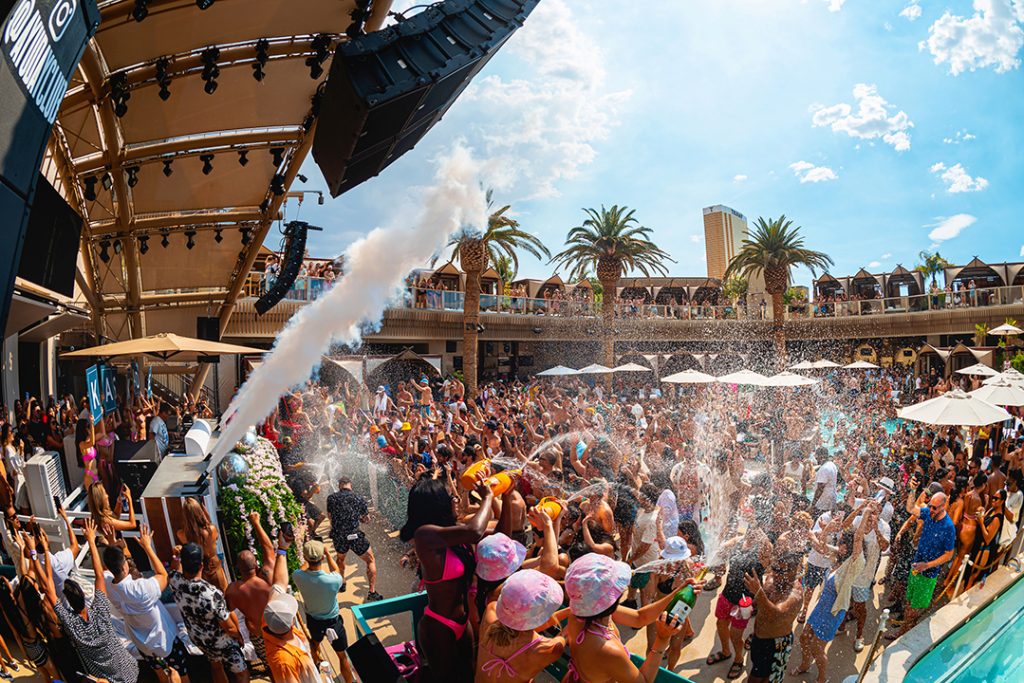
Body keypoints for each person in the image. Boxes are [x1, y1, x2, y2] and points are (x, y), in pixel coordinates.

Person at [400, 474, 494, 682]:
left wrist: (507, 496)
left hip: (462, 621)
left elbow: (501, 533)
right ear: (438, 504)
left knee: (469, 675)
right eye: (451, 496)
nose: (456, 500)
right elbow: (475, 531)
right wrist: (487, 498)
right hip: (438, 626)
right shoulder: (424, 535)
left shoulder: (451, 533)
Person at [561, 553, 691, 683]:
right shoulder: (609, 650)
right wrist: (662, 639)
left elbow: (639, 617)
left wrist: (676, 593)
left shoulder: (584, 616)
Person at [38, 519, 140, 683]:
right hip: (128, 670)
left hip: (108, 679)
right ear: (82, 595)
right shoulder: (100, 610)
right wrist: (91, 540)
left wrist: (38, 552)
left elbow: (48, 588)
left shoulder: (72, 624)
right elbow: (99, 575)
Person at [103, 523, 191, 683]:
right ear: (125, 566)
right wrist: (147, 547)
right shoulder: (140, 589)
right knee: (181, 677)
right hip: (165, 643)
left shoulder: (107, 584)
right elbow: (163, 575)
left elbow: (109, 568)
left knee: (162, 676)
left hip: (144, 646)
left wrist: (111, 546)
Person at [170, 543, 249, 683]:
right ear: (201, 566)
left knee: (216, 666)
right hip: (222, 642)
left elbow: (174, 570)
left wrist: (176, 558)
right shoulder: (211, 594)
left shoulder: (174, 581)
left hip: (199, 638)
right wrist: (239, 636)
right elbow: (229, 627)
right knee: (241, 672)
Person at [885, 491, 956, 639]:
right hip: (916, 568)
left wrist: (928, 565)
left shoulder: (948, 527)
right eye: (930, 506)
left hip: (928, 575)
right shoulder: (928, 514)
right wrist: (912, 490)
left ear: (943, 507)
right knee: (909, 601)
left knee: (914, 607)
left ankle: (903, 632)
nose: (931, 510)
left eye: (934, 508)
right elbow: (911, 508)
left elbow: (949, 554)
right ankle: (908, 627)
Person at [474, 569, 565, 682]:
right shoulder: (547, 648)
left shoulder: (491, 611)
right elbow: (564, 636)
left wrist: (567, 612)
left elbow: (515, 628)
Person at [291, 539, 354, 682]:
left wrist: (308, 557)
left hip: (314, 621)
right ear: (323, 557)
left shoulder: (298, 576)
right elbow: (336, 571)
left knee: (314, 644)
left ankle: (315, 672)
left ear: (305, 558)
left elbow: (302, 568)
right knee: (342, 656)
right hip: (333, 623)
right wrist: (328, 554)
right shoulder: (334, 580)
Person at [262, 533, 321, 683]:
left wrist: (282, 549)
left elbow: (279, 583)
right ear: (292, 621)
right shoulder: (283, 662)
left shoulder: (270, 617)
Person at [744, 550, 804, 683]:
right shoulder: (771, 578)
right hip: (759, 638)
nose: (777, 574)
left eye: (782, 571)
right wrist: (749, 605)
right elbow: (761, 604)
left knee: (763, 679)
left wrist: (758, 592)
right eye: (775, 568)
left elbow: (777, 614)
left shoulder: (795, 593)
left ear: (794, 571)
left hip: (774, 644)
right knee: (758, 671)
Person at [225, 512, 276, 668]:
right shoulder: (266, 576)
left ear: (237, 569)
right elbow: (268, 549)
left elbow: (227, 612)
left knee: (270, 666)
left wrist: (238, 633)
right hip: (279, 628)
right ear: (256, 564)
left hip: (259, 634)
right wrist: (256, 523)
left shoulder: (233, 590)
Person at [326, 476, 381, 602]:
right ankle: (372, 592)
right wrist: (360, 519)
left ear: (339, 485)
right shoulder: (359, 498)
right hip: (354, 535)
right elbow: (366, 519)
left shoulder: (331, 498)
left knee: (340, 559)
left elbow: (330, 516)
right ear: (350, 484)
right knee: (370, 560)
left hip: (339, 536)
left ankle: (342, 583)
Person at [176, 497, 227, 591]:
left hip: (199, 569)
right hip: (214, 566)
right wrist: (207, 518)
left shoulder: (182, 534)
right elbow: (215, 537)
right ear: (200, 511)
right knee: (224, 593)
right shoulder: (212, 529)